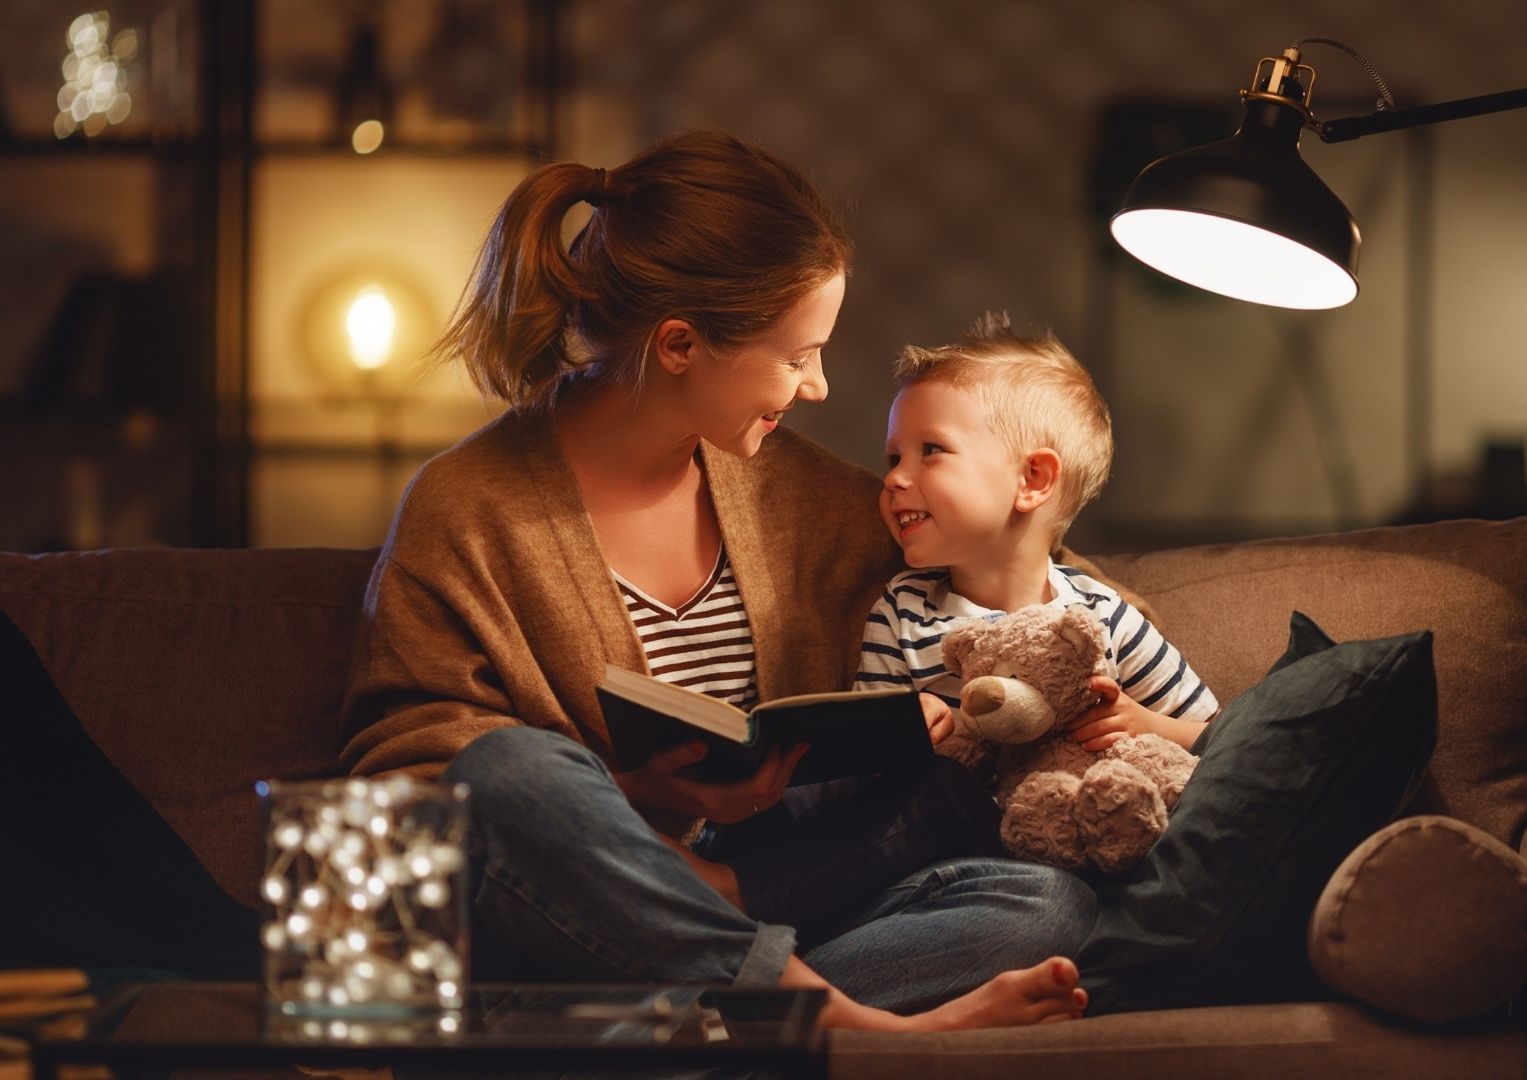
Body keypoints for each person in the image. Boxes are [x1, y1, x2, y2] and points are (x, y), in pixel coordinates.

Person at [338, 130, 1094, 1031]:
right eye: (795, 354)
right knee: (505, 773)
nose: (815, 387)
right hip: (583, 919)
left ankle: (692, 1022)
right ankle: (843, 1028)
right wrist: (638, 796)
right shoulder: (467, 507)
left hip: (779, 895)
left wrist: (1103, 684)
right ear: (680, 344)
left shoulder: (807, 495)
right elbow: (412, 780)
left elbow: (1027, 573)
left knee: (1046, 906)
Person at [854, 315, 1219, 753]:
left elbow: (1223, 737)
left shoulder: (1102, 618)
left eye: (930, 450)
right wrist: (908, 727)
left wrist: (1148, 725)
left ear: (1033, 480)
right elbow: (859, 758)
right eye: (894, 458)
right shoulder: (902, 613)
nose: (893, 479)